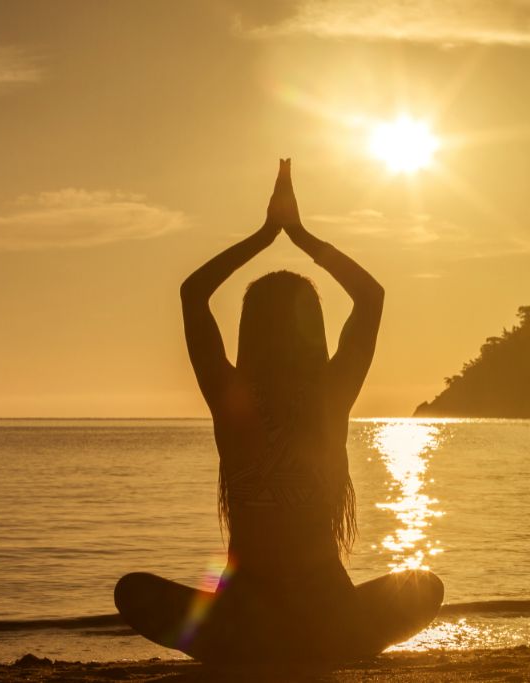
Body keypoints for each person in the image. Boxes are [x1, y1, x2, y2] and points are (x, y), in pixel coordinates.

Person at [115, 159, 443, 667]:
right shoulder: (332, 393)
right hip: (325, 616)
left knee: (132, 592)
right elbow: (370, 297)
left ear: (250, 330)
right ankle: (331, 644)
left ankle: (246, 645)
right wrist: (301, 236)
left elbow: (192, 294)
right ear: (313, 330)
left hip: (243, 619)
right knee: (425, 588)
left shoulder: (229, 394)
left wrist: (266, 236)